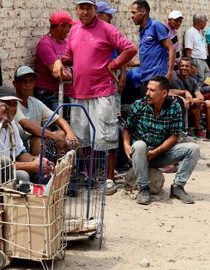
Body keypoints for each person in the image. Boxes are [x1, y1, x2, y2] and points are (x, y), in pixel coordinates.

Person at [53, 0, 137, 196]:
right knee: (84, 139)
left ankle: (109, 179)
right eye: (81, 8)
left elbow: (130, 48)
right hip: (79, 92)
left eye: (88, 8)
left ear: (95, 10)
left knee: (106, 137)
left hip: (102, 92)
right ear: (76, 10)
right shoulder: (74, 30)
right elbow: (69, 56)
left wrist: (114, 64)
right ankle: (90, 175)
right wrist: (58, 61)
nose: (84, 12)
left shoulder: (107, 29)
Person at [123, 76, 200, 205]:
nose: (148, 93)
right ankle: (143, 188)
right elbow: (127, 129)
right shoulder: (139, 105)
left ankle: (178, 187)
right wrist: (126, 145)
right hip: (140, 154)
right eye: (148, 89)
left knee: (193, 149)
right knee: (139, 145)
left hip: (160, 153)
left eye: (152, 90)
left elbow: (175, 136)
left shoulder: (175, 107)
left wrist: (155, 152)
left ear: (164, 93)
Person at [0, 86, 54, 182]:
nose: (11, 109)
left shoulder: (10, 122)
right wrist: (31, 165)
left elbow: (19, 153)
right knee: (23, 176)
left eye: (14, 104)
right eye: (7, 104)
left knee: (39, 168)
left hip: (4, 168)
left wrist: (37, 161)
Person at [13, 66, 77, 156]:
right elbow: (27, 126)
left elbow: (59, 119)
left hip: (37, 140)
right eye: (24, 81)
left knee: (64, 134)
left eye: (31, 81)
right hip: (19, 145)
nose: (28, 85)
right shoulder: (12, 103)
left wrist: (70, 134)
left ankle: (61, 167)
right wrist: (53, 136)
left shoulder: (35, 102)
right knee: (38, 140)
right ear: (15, 84)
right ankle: (41, 169)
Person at [34, 11, 77, 118]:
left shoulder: (65, 43)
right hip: (50, 95)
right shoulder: (45, 44)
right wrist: (80, 76)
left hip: (64, 93)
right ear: (61, 26)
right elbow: (58, 74)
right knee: (57, 128)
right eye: (69, 27)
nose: (69, 31)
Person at [131, 0, 176, 91]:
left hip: (157, 78)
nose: (132, 16)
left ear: (143, 12)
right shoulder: (141, 30)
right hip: (145, 78)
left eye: (134, 12)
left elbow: (171, 48)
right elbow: (148, 55)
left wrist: (170, 72)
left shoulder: (155, 26)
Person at [170, 58, 210, 140]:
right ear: (179, 67)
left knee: (209, 103)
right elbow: (180, 97)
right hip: (183, 106)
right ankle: (197, 130)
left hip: (192, 104)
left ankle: (209, 131)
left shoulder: (192, 81)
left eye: (187, 66)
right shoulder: (175, 79)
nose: (184, 68)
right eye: (182, 65)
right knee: (197, 104)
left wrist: (195, 100)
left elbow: (200, 96)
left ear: (190, 68)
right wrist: (194, 100)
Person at [184, 14, 209, 84]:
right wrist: (189, 65)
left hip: (203, 59)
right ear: (198, 22)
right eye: (204, 22)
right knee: (200, 78)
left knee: (207, 76)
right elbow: (188, 50)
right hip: (196, 59)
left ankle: (203, 91)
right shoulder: (190, 32)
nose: (205, 24)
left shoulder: (200, 32)